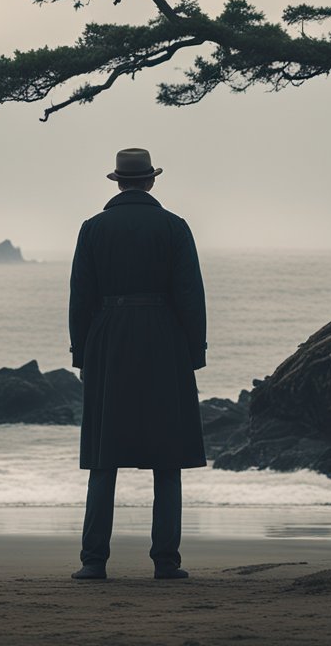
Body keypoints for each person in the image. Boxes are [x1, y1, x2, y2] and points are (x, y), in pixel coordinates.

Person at [68, 147, 207, 581]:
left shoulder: (93, 229)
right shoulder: (174, 227)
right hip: (164, 342)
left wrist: (80, 352)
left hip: (107, 342)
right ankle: (166, 561)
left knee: (103, 457)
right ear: (150, 182)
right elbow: (190, 294)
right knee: (168, 458)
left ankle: (94, 561)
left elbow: (80, 298)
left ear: (117, 182)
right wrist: (194, 352)